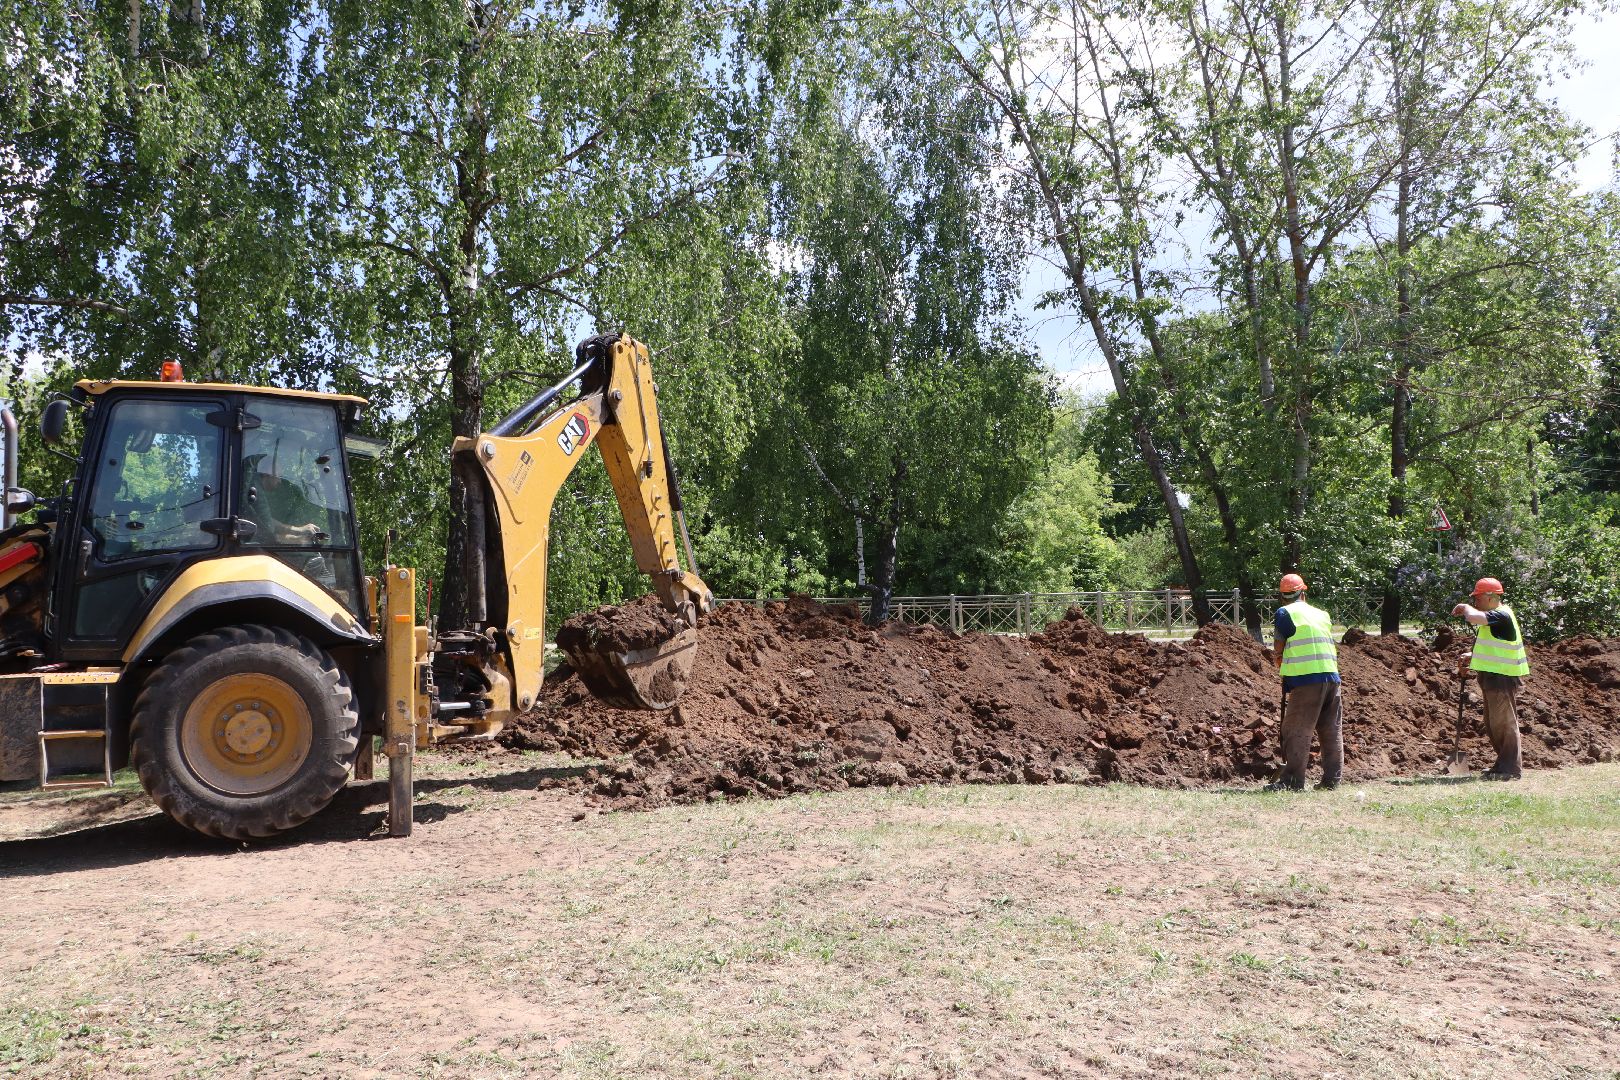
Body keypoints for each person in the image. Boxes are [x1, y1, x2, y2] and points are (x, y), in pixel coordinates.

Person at [1267, 573, 1343, 791]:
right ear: (1303, 592)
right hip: (1331, 677)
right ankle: (1332, 780)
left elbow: (1279, 647)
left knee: (1296, 729)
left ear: (1283, 596)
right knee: (1331, 730)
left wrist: (1280, 660)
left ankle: (1292, 781)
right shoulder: (1321, 614)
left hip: (1306, 679)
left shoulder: (1284, 613)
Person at [1451, 577, 1528, 781]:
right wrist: (1472, 656)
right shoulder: (1495, 617)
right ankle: (1503, 765)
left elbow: (1474, 617)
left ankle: (1510, 769)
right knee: (1494, 724)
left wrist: (1465, 607)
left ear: (1491, 596)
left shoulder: (1501, 615)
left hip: (1502, 677)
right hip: (1493, 677)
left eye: (1477, 597)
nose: (1475, 602)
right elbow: (1495, 647)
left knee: (1504, 724)